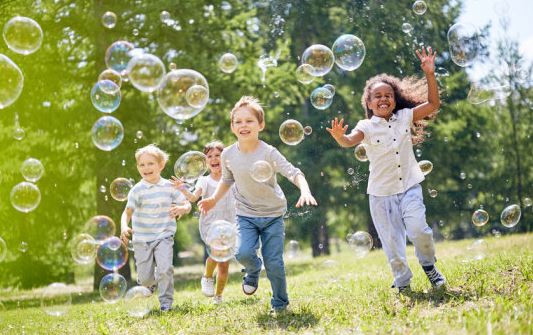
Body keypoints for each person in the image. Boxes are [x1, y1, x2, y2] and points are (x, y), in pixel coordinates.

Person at [327, 47, 446, 293]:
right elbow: (350, 140)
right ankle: (402, 282)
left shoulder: (405, 116)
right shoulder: (366, 126)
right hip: (381, 195)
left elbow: (433, 104)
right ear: (369, 103)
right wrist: (340, 137)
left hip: (410, 186)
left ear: (395, 99)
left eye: (388, 95)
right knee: (392, 245)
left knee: (419, 230)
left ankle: (429, 267)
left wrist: (430, 74)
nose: (383, 99)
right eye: (377, 96)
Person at [198, 96, 318, 312]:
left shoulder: (268, 152)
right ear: (232, 127)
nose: (244, 125)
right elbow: (227, 180)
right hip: (245, 214)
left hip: (272, 215)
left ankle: (280, 304)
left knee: (275, 263)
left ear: (260, 125)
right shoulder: (227, 154)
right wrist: (213, 199)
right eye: (238, 121)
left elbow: (293, 172)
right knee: (242, 253)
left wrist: (305, 189)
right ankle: (253, 269)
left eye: (249, 121)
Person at [120, 144, 192, 311]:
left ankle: (166, 303)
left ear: (161, 165)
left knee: (165, 269)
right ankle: (149, 286)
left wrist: (182, 208)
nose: (146, 168)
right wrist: (124, 226)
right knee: (145, 278)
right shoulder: (136, 190)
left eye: (150, 163)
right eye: (142, 165)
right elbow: (127, 213)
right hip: (142, 239)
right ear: (138, 167)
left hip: (164, 236)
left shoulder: (169, 187)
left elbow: (186, 204)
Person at [171, 140, 236, 305]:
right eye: (210, 156)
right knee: (216, 252)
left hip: (230, 223)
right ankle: (207, 277)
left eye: (218, 155)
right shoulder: (204, 181)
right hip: (210, 224)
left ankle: (218, 296)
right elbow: (193, 198)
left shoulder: (233, 178)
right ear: (205, 161)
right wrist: (182, 189)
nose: (214, 159)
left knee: (224, 265)